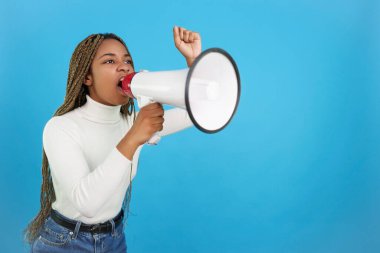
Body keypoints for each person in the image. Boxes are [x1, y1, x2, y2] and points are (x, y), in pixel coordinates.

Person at [25, 26, 202, 252]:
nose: (124, 66)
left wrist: (194, 64)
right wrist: (134, 137)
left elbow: (197, 112)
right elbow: (86, 203)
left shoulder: (132, 122)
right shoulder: (61, 128)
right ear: (87, 76)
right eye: (109, 61)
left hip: (113, 238)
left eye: (128, 61)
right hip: (65, 242)